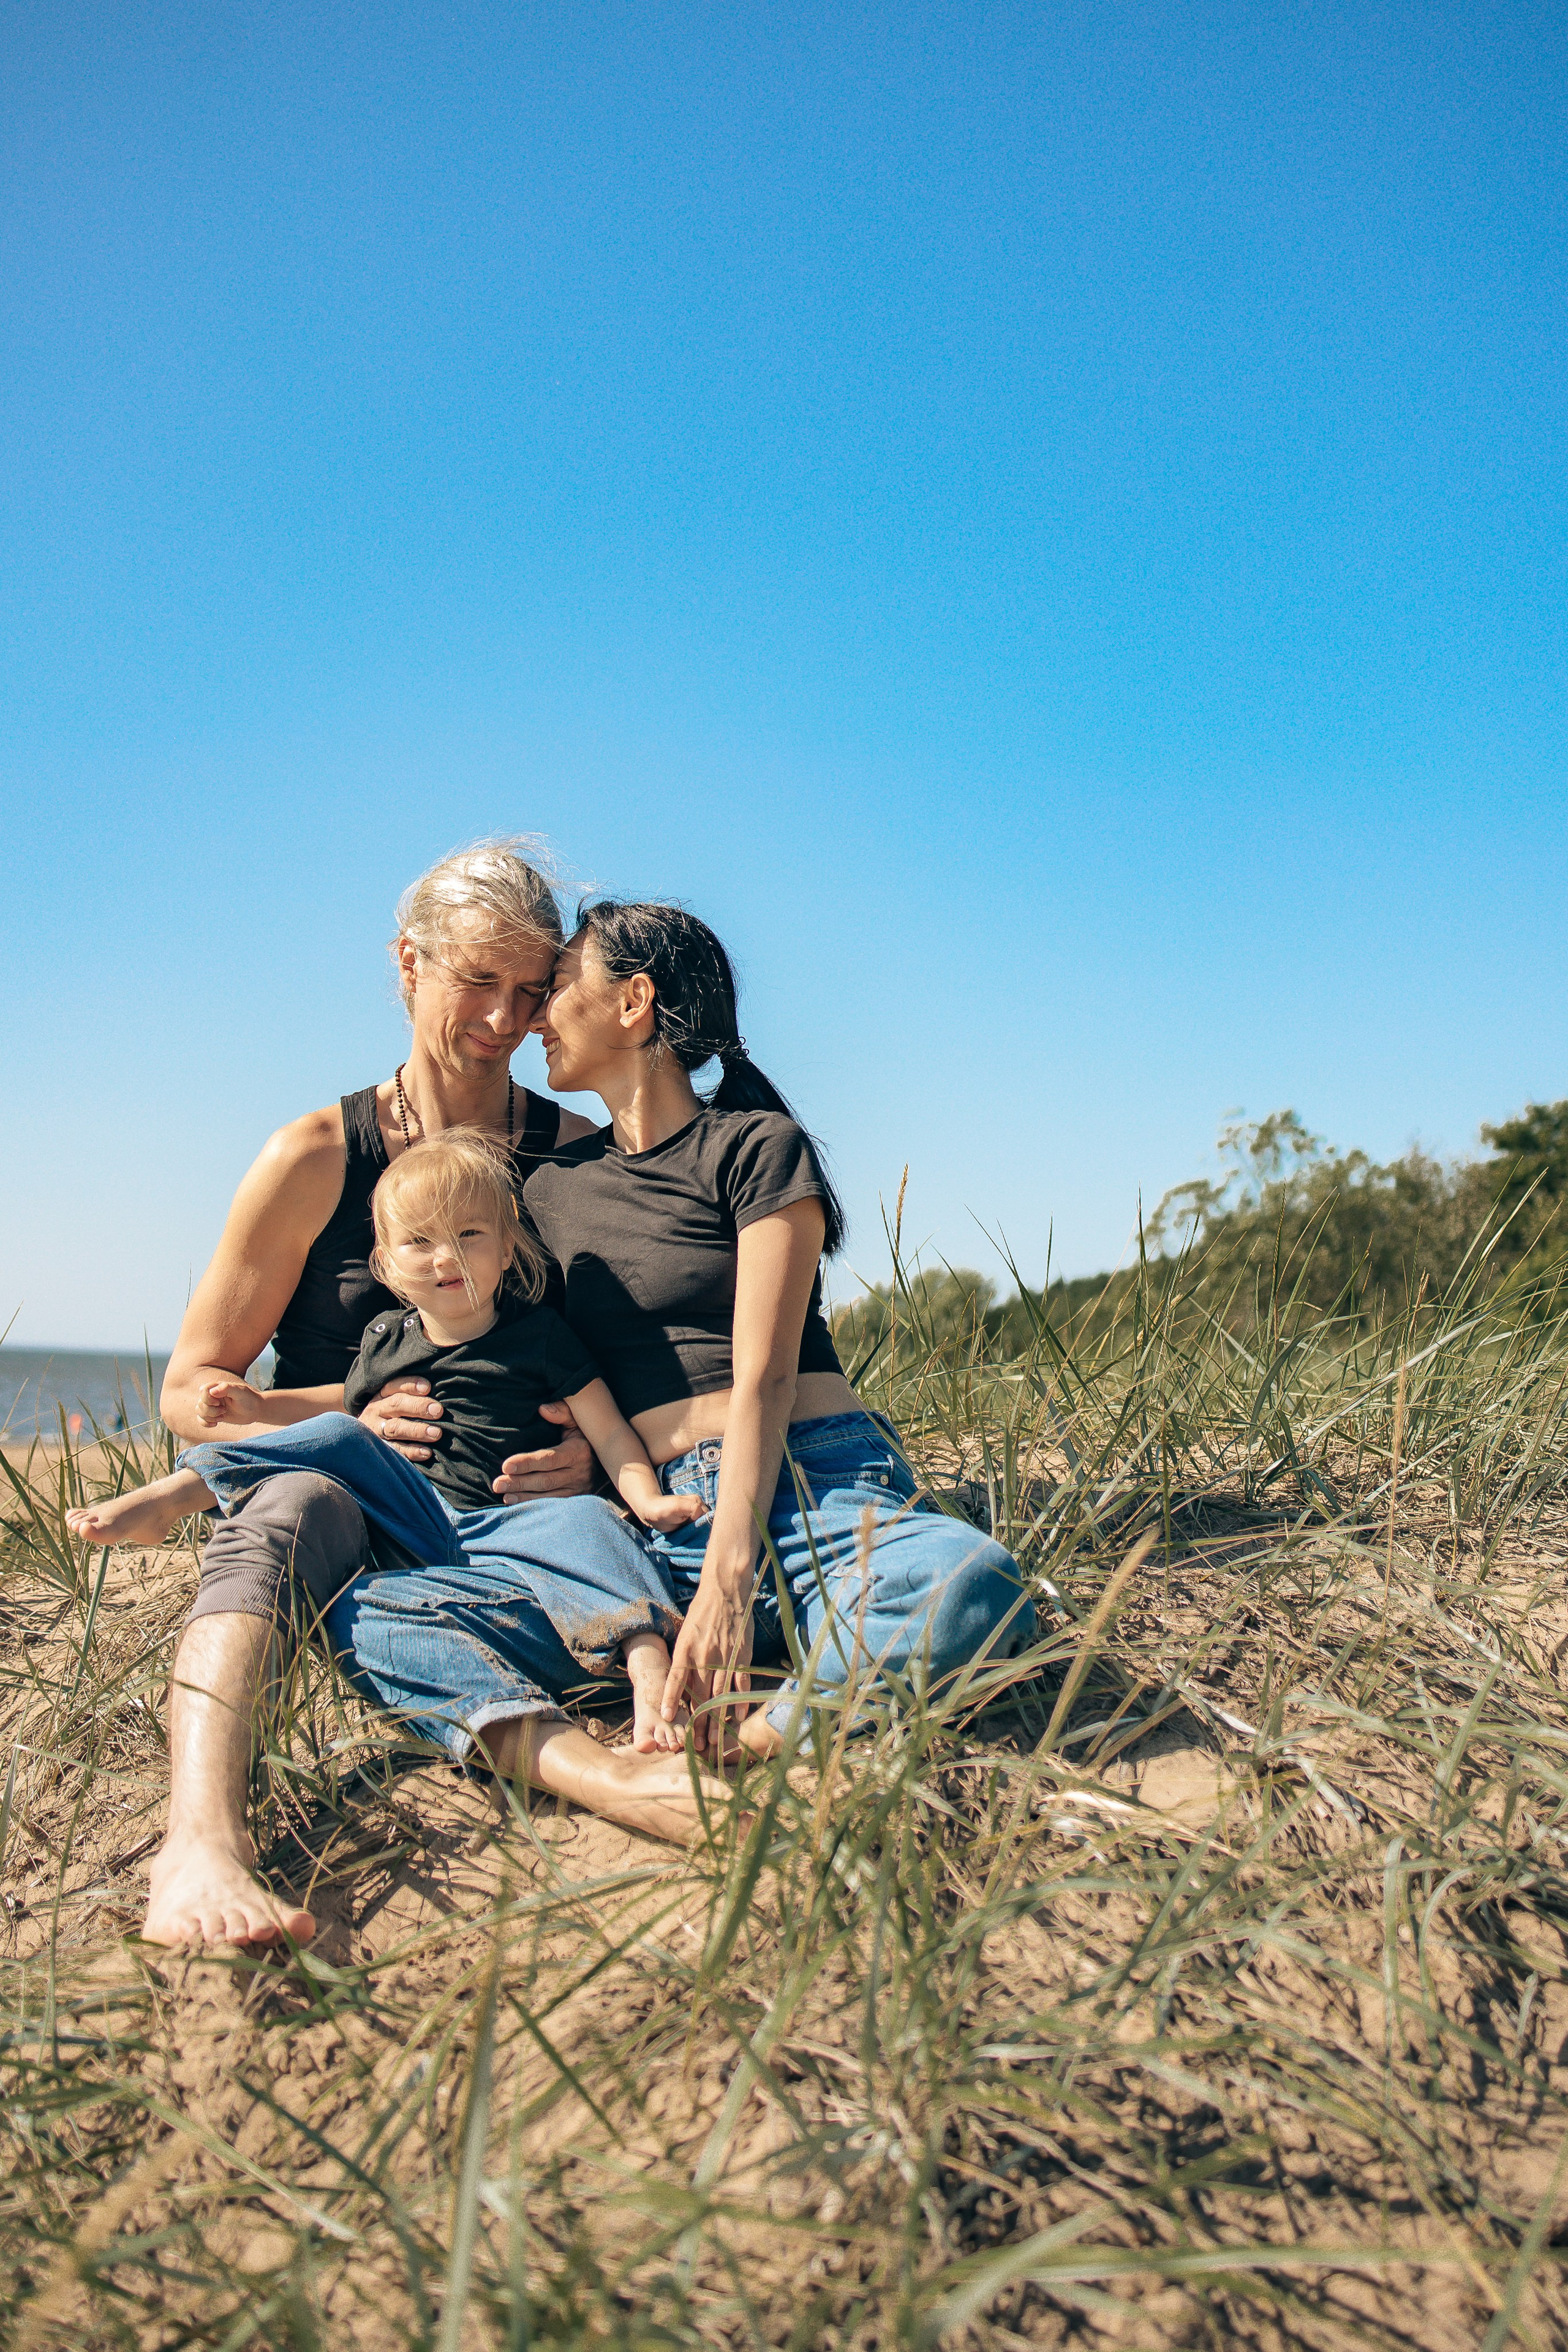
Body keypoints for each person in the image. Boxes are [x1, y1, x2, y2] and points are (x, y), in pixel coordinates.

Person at [142, 840, 712, 1952]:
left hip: (519, 1524)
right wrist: (351, 1416)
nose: (505, 1020)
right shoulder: (315, 1154)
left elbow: (635, 1376)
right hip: (349, 1502)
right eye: (476, 982)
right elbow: (191, 1389)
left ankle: (638, 1757)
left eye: (531, 990)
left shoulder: (581, 1159)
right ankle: (197, 1842)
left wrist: (591, 1463)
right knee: (288, 1509)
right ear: (410, 966)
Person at [337, 899, 1035, 1768]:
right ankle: (605, 1762)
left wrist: (729, 1580)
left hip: (804, 1491)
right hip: (648, 1526)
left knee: (969, 1584)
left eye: (554, 988)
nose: (531, 1018)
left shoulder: (754, 1148)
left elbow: (764, 1379)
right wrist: (356, 1418)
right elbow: (478, 1341)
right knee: (374, 1618)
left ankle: (745, 1749)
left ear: (633, 1003)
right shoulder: (545, 1193)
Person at [70, 1131, 704, 1752]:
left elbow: (609, 1430)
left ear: (508, 1248)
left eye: (469, 1235)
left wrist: (644, 1499)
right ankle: (181, 1491)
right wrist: (262, 1403)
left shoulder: (540, 1336)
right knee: (342, 1437)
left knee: (592, 1523)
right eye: (420, 1242)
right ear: (388, 1264)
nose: (445, 1257)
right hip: (416, 1517)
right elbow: (339, 1405)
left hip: (514, 1522)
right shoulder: (386, 1338)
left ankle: (648, 1668)